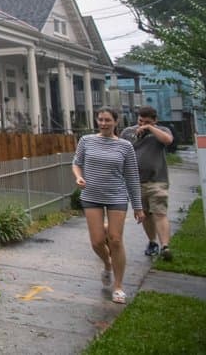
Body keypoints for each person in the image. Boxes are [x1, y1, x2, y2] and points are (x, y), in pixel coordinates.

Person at [72, 107, 144, 304]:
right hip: (91, 195)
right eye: (100, 120)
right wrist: (79, 177)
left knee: (115, 240)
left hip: (117, 197)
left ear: (115, 122)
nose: (103, 123)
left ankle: (118, 286)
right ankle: (107, 264)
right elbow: (77, 162)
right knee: (96, 241)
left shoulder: (125, 146)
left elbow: (131, 177)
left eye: (107, 120)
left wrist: (138, 207)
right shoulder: (86, 141)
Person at [120, 105, 174, 261]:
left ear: (155, 120)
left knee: (160, 212)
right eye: (140, 121)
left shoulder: (162, 131)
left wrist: (151, 128)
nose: (142, 124)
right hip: (136, 182)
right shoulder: (128, 132)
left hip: (157, 180)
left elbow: (168, 141)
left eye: (147, 121)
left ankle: (165, 246)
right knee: (146, 215)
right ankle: (152, 242)